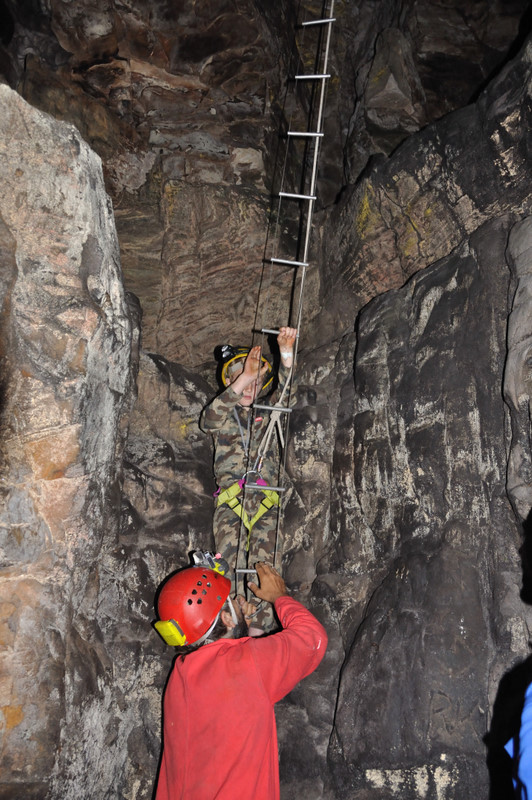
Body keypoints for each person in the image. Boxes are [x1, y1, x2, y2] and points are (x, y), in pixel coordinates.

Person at [153, 556, 327, 800]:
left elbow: (237, 692)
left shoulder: (180, 675)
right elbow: (312, 638)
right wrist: (279, 596)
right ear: (225, 619)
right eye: (231, 601)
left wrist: (241, 630)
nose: (238, 600)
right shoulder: (249, 663)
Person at [200, 327, 297, 630]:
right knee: (227, 572)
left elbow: (285, 393)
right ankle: (231, 634)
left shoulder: (268, 414)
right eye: (241, 379)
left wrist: (285, 351)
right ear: (230, 383)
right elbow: (209, 418)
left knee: (265, 572)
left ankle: (258, 635)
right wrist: (244, 376)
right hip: (231, 505)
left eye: (254, 380)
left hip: (267, 504)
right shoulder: (224, 417)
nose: (249, 385)